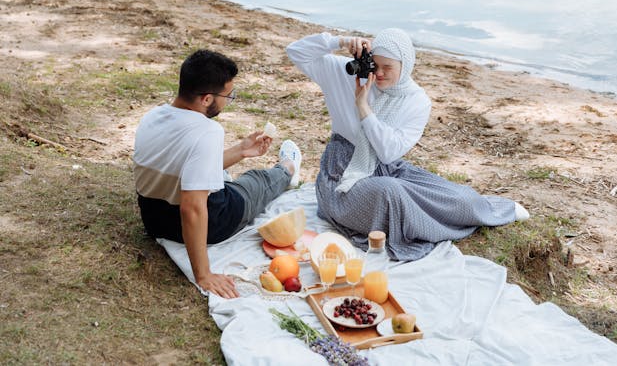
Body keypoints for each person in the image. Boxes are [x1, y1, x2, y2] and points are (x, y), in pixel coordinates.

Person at [287, 29, 529, 261]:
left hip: (385, 166)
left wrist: (364, 110)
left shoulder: (416, 100)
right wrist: (339, 41)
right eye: (375, 64)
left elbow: (388, 152)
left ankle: (497, 210)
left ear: (405, 66)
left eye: (387, 67)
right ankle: (424, 220)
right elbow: (295, 51)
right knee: (391, 192)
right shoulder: (348, 74)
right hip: (340, 179)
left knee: (460, 196)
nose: (378, 73)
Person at [133, 49, 302, 298]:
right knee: (256, 181)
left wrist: (242, 150)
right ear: (206, 99)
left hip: (155, 220)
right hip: (214, 223)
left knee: (220, 176)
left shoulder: (152, 116)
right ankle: (288, 168)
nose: (228, 100)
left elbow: (185, 168)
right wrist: (204, 274)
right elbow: (192, 208)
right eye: (227, 95)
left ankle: (269, 167)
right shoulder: (207, 131)